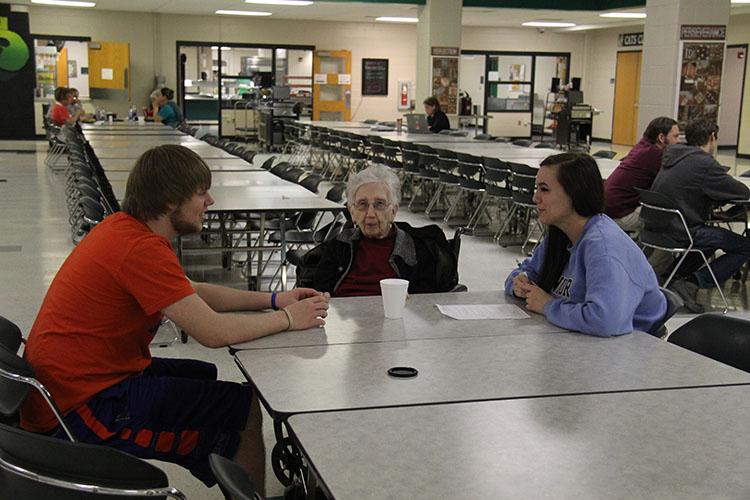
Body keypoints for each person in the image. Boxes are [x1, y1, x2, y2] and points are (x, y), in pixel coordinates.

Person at [20, 145, 330, 493]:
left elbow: (191, 290)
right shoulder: (141, 249)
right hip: (80, 407)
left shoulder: (127, 230)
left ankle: (229, 466)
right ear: (169, 202)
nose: (210, 201)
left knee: (205, 376)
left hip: (73, 383)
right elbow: (212, 332)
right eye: (200, 193)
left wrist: (275, 299)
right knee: (242, 409)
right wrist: (289, 318)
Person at [504, 152, 666, 337]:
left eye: (544, 189)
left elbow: (605, 321)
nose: (535, 198)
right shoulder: (560, 234)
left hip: (630, 347)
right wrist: (518, 284)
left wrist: (548, 306)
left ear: (575, 194)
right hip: (580, 338)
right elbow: (525, 273)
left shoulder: (604, 247)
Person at [298, 164, 458, 296]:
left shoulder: (418, 250)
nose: (371, 213)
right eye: (362, 204)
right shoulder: (338, 247)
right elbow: (321, 295)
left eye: (379, 204)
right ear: (352, 212)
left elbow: (427, 303)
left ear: (394, 210)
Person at [651, 119, 750, 313]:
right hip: (682, 230)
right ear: (712, 137)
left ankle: (672, 277)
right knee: (746, 247)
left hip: (657, 227)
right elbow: (742, 192)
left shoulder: (673, 155)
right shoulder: (704, 163)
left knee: (711, 239)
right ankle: (693, 283)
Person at [604, 116, 680, 232]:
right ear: (661, 137)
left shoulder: (642, 146)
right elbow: (674, 181)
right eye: (675, 136)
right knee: (673, 218)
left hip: (609, 211)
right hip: (620, 216)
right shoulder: (655, 155)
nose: (678, 141)